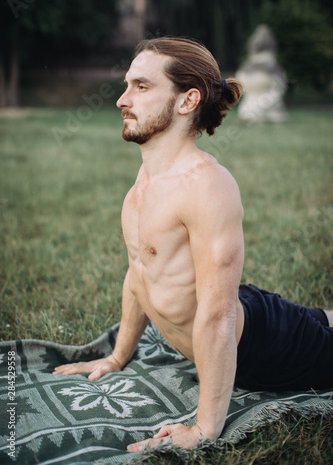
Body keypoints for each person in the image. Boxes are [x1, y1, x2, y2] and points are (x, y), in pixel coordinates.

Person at [53, 37, 333, 452]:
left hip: (266, 347)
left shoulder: (206, 186)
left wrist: (204, 429)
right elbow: (139, 274)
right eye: (127, 84)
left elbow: (218, 315)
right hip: (246, 305)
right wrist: (115, 358)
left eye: (142, 87)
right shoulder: (144, 184)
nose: (122, 100)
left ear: (187, 101)